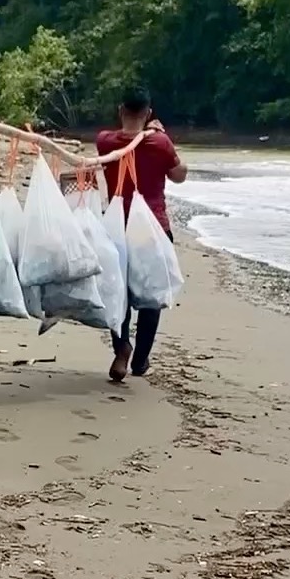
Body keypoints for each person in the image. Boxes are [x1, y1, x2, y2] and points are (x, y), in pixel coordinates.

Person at [97, 88, 188, 383]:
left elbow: (122, 144)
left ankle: (122, 347)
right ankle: (141, 359)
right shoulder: (160, 143)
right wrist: (161, 135)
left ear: (120, 109)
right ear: (148, 112)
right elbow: (179, 175)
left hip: (116, 228)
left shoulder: (105, 141)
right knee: (151, 295)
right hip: (153, 229)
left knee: (117, 292)